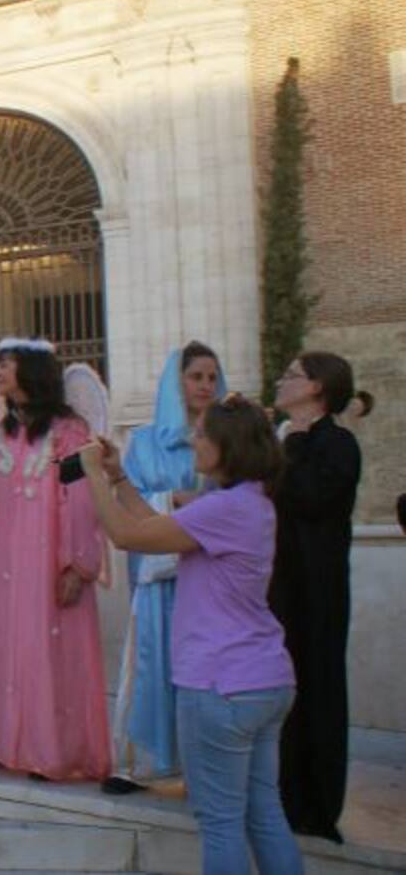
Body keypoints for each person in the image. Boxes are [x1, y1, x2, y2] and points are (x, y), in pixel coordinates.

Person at [81, 393, 302, 875]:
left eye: (201, 434)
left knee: (220, 822)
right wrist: (119, 477)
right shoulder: (250, 505)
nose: (193, 440)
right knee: (263, 814)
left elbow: (126, 536)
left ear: (227, 446)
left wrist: (92, 476)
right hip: (264, 679)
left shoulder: (222, 509)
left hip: (220, 686)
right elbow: (156, 527)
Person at [0, 338, 110, 781]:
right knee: (1, 647)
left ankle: (52, 750)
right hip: (8, 565)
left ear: (29, 370)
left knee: (48, 651)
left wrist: (77, 564)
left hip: (49, 562)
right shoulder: (2, 433)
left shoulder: (70, 433)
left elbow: (81, 499)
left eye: (4, 364)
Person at [104, 342, 226, 794]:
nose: (206, 386)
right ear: (177, 383)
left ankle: (203, 767)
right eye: (196, 377)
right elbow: (125, 499)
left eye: (213, 377)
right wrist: (176, 500)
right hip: (157, 576)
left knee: (204, 671)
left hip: (209, 578)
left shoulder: (228, 440)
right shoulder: (145, 441)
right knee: (151, 661)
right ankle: (141, 763)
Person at [270, 352, 372, 844]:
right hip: (278, 589)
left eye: (291, 376)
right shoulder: (283, 442)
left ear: (317, 388)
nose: (281, 381)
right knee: (281, 693)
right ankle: (284, 800)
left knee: (321, 689)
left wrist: (289, 447)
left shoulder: (338, 445)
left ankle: (319, 807)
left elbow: (311, 497)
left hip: (319, 590)